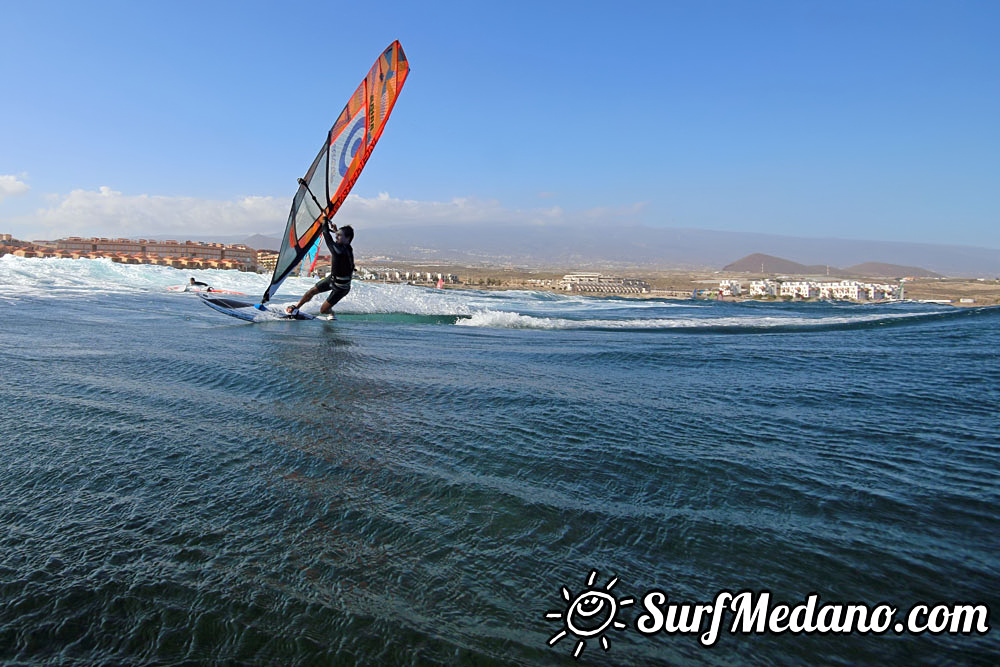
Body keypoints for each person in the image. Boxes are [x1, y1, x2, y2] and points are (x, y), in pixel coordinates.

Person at [286, 222, 354, 317]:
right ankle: (296, 307)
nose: (336, 237)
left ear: (348, 238)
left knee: (323, 310)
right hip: (332, 279)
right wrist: (335, 231)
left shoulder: (339, 251)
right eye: (337, 235)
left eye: (339, 235)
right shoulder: (347, 247)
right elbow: (338, 240)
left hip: (341, 288)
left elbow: (326, 234)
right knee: (311, 291)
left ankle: (331, 312)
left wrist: (324, 221)